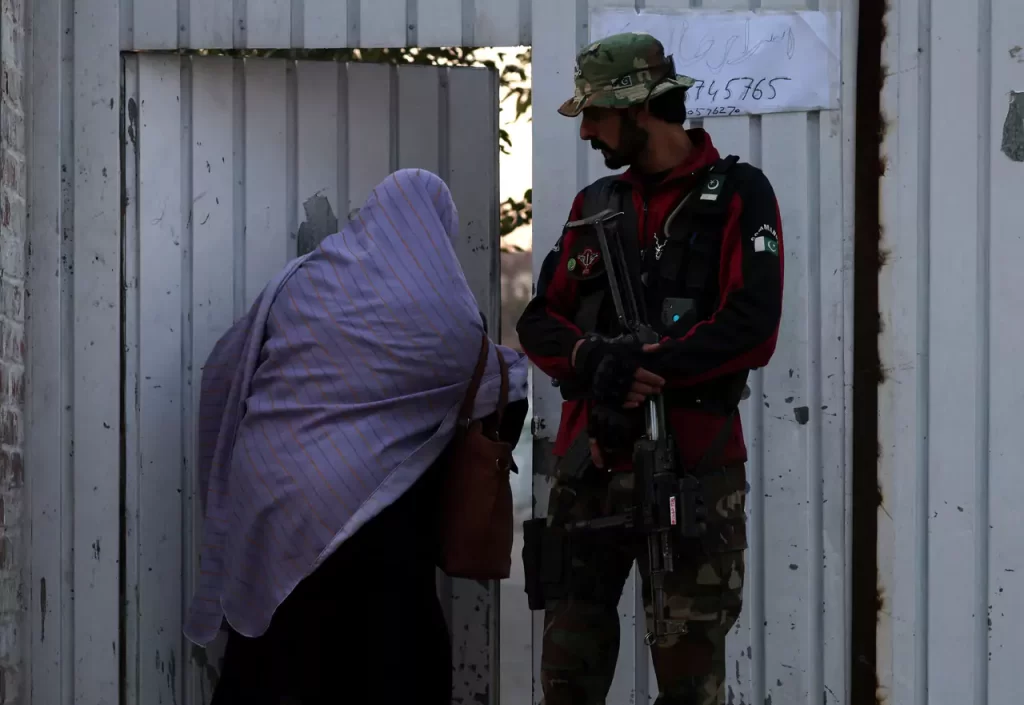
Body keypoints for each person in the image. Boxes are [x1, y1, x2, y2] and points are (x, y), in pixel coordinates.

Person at [184, 168, 530, 704]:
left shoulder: (300, 283)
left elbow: (229, 363)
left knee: (280, 653)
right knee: (388, 656)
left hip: (276, 494)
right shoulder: (448, 313)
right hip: (383, 525)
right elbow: (500, 389)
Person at [517, 32, 785, 705]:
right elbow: (540, 320)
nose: (586, 131)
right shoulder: (594, 206)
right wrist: (594, 359)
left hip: (691, 471)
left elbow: (752, 324)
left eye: (595, 114)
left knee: (690, 683)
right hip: (590, 468)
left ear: (638, 107)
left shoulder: (738, 194)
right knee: (567, 679)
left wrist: (647, 366)